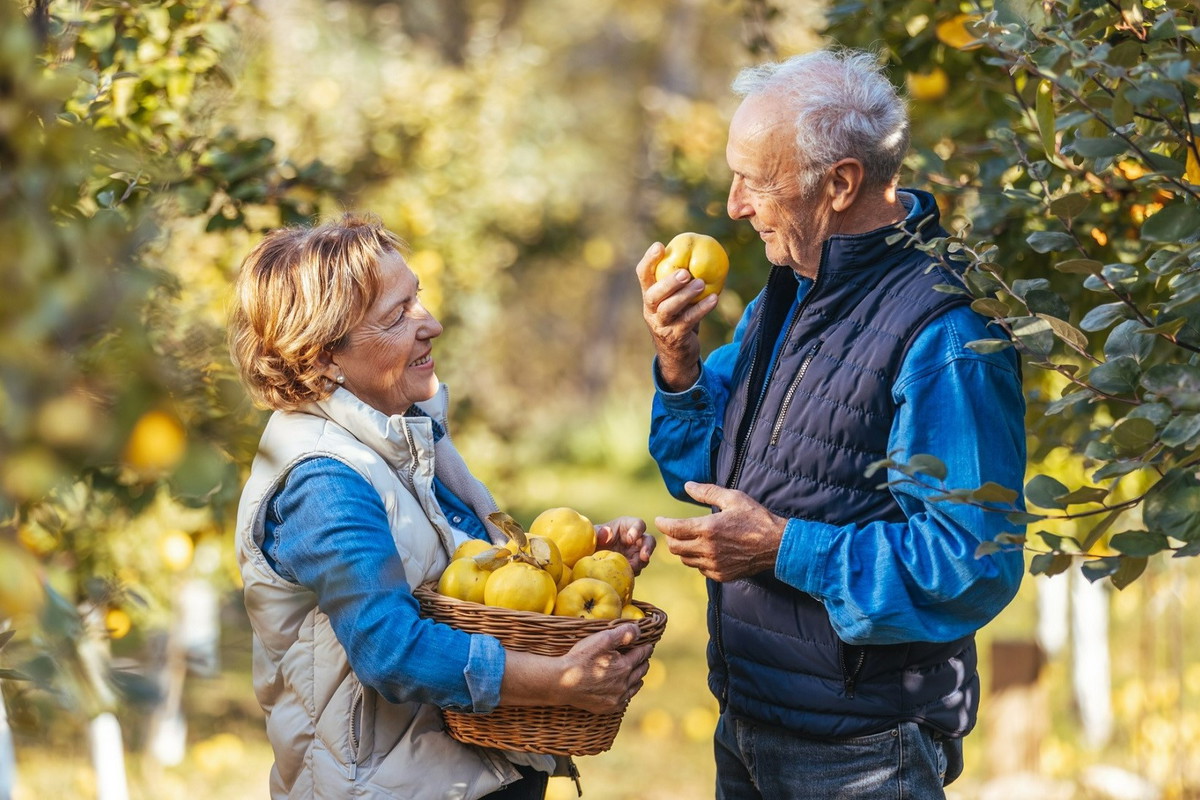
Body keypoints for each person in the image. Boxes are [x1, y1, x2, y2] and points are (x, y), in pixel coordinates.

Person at [636, 48, 1026, 798]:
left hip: (864, 750)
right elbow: (703, 479)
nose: (733, 206)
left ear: (840, 183)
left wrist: (785, 548)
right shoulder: (785, 296)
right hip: (750, 722)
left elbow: (973, 564)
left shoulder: (944, 339)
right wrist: (680, 363)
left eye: (754, 180)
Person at [229, 213, 655, 800]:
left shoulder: (403, 436)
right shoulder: (322, 480)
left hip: (468, 773)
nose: (430, 323)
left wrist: (584, 564)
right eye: (397, 316)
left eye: (417, 300)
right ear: (323, 355)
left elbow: (474, 583)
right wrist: (559, 680)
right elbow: (390, 649)